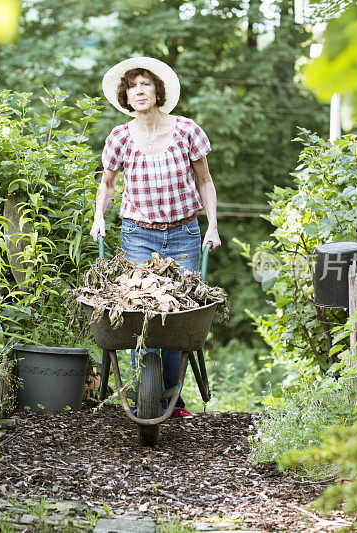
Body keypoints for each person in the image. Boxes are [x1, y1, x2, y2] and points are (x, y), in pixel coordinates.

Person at [89, 57, 221, 420]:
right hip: (137, 235)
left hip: (183, 233)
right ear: (126, 97)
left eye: (146, 84)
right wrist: (99, 218)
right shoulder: (119, 137)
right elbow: (108, 185)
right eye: (133, 87)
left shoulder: (186, 131)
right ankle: (144, 393)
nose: (140, 91)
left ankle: (171, 397)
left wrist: (212, 225)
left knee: (178, 315)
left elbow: (205, 182)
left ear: (158, 91)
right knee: (139, 315)